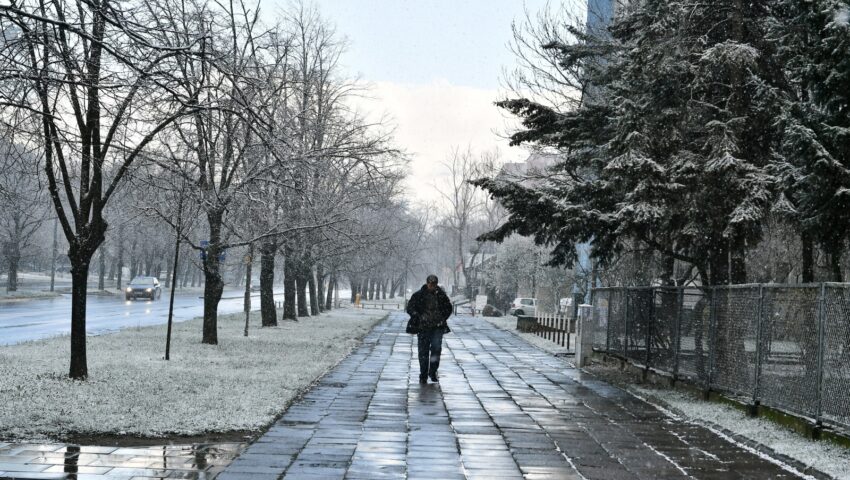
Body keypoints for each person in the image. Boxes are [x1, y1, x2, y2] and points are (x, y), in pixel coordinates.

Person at [406, 274, 453, 384]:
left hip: (437, 327)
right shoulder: (419, 295)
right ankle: (423, 374)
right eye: (430, 283)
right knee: (423, 352)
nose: (432, 286)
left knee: (436, 350)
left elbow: (448, 308)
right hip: (423, 328)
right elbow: (410, 307)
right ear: (427, 283)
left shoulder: (441, 296)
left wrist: (442, 318)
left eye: (434, 284)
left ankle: (432, 371)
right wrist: (417, 316)